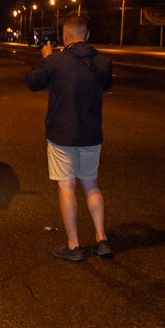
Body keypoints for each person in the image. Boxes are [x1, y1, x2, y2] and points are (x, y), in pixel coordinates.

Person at [25, 15, 114, 261]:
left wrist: (46, 58)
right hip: (92, 133)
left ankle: (74, 245)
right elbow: (105, 84)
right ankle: (101, 239)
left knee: (66, 186)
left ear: (65, 36)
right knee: (91, 184)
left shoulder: (56, 60)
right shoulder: (102, 61)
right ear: (86, 35)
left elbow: (32, 82)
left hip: (62, 134)